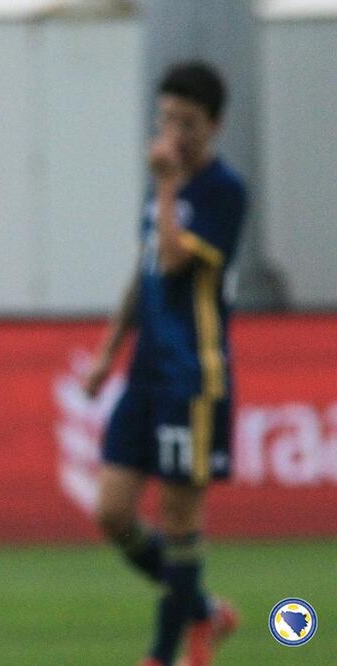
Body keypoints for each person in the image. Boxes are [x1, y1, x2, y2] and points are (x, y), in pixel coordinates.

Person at [82, 62, 246, 666]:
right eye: (167, 119)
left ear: (215, 125)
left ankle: (162, 653)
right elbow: (148, 267)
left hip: (192, 377)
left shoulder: (224, 191)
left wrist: (171, 186)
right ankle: (205, 610)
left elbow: (177, 260)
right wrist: (107, 354)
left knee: (179, 520)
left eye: (188, 122)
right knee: (112, 512)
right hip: (145, 374)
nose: (174, 133)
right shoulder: (162, 189)